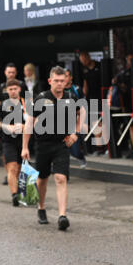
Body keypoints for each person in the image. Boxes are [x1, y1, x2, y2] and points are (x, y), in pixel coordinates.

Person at [22, 66, 80, 231]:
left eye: (62, 81)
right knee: (43, 179)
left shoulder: (70, 97)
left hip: (61, 144)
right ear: (50, 81)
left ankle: (62, 216)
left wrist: (75, 133)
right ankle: (41, 207)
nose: (60, 83)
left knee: (61, 178)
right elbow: (29, 123)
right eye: (56, 81)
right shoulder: (41, 98)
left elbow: (80, 114)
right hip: (43, 144)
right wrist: (25, 147)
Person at [0, 79, 26, 206]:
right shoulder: (2, 105)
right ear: (7, 90)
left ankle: (18, 189)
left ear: (19, 89)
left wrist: (24, 126)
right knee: (11, 167)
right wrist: (7, 126)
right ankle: (15, 195)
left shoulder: (26, 104)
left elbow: (36, 121)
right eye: (10, 89)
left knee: (19, 168)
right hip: (7, 141)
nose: (13, 91)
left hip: (23, 141)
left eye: (15, 89)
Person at [0, 62, 25, 185]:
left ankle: (15, 176)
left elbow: (28, 100)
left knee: (18, 159)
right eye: (9, 72)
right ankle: (8, 173)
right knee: (6, 152)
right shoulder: (1, 87)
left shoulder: (21, 85)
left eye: (13, 72)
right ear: (5, 73)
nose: (11, 74)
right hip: (5, 117)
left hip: (20, 118)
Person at [79, 51, 106, 155]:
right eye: (82, 61)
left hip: (101, 97)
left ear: (88, 57)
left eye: (84, 60)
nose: (84, 62)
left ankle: (102, 146)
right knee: (94, 122)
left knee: (100, 121)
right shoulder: (84, 70)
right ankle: (98, 147)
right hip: (91, 98)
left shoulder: (100, 66)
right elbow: (85, 85)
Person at [64, 69, 87, 168]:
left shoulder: (77, 89)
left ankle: (80, 157)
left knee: (75, 150)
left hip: (75, 123)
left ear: (71, 77)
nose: (65, 78)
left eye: (67, 75)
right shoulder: (58, 90)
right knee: (63, 150)